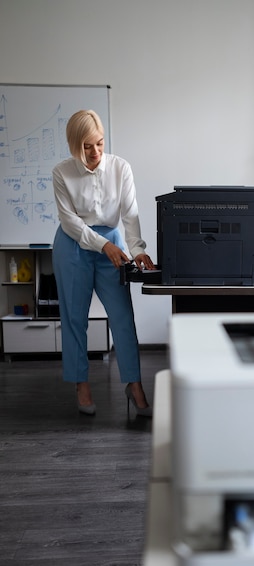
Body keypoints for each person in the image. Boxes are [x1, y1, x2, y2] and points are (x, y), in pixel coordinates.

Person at [52, 109, 154, 417]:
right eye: (86, 146)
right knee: (75, 320)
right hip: (73, 246)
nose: (95, 152)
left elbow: (130, 214)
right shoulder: (61, 173)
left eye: (99, 143)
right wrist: (104, 244)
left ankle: (134, 384)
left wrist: (136, 249)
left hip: (112, 245)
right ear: (74, 146)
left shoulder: (120, 168)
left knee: (122, 317)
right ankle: (81, 384)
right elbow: (70, 223)